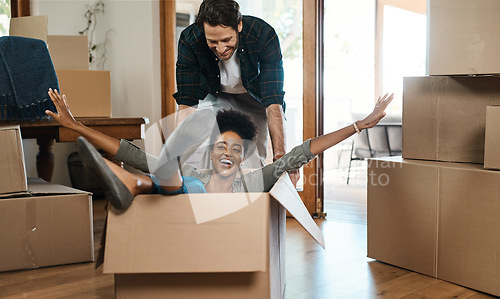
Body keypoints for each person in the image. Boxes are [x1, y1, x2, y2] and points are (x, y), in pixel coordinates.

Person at [46, 88, 394, 210]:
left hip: (214, 231)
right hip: (178, 219)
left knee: (177, 178)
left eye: (237, 149)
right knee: (167, 170)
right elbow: (131, 153)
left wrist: (359, 126)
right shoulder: (194, 172)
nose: (228, 153)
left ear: (243, 157)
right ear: (212, 151)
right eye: (221, 146)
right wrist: (76, 126)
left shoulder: (252, 183)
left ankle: (132, 183)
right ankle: (132, 180)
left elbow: (303, 151)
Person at [174, 0, 286, 167]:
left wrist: (281, 157)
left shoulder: (262, 35)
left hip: (254, 98)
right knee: (210, 157)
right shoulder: (190, 40)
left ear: (239, 25)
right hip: (214, 95)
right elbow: (187, 104)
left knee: (251, 160)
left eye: (226, 40)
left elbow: (273, 103)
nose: (220, 49)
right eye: (213, 41)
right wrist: (177, 156)